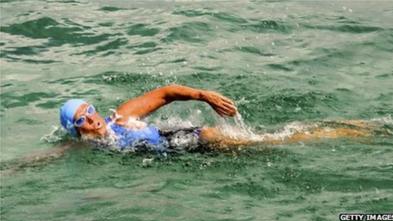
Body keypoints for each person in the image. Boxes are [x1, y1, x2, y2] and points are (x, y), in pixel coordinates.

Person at [59, 84, 375, 153]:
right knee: (266, 142)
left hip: (192, 139)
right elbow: (51, 156)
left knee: (271, 142)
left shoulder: (122, 117)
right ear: (75, 130)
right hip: (180, 152)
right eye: (80, 119)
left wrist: (203, 96)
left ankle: (346, 133)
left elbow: (166, 93)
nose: (91, 119)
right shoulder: (83, 147)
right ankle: (343, 130)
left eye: (89, 109)